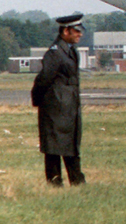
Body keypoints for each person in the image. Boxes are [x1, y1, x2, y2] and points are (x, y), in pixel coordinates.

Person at [32, 14, 86, 186]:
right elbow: (43, 79)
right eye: (76, 31)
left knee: (70, 146)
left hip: (69, 108)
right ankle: (55, 183)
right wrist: (39, 100)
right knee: (54, 148)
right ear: (65, 31)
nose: (80, 34)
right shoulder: (55, 53)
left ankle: (77, 181)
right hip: (55, 109)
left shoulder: (70, 51)